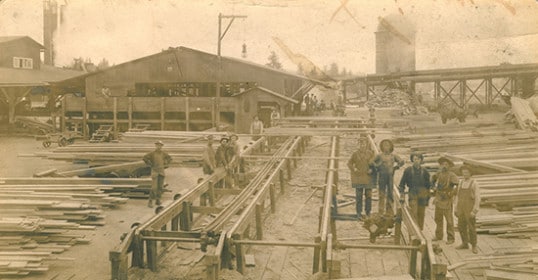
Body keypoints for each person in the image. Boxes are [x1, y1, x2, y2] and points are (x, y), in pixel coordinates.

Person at [398, 152, 431, 230]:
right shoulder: (408, 170)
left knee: (421, 214)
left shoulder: (425, 171)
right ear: (412, 160)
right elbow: (402, 184)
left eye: (418, 159)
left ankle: (420, 231)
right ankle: (414, 232)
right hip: (412, 193)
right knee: (413, 213)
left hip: (423, 194)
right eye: (415, 159)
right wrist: (402, 195)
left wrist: (428, 197)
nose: (416, 161)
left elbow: (428, 185)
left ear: (421, 160)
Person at [431, 156, 459, 244]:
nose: (444, 166)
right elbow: (432, 179)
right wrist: (433, 188)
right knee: (438, 218)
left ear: (449, 166)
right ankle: (439, 235)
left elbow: (456, 185)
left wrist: (451, 193)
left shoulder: (452, 175)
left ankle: (451, 238)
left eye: (446, 164)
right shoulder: (438, 174)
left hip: (447, 199)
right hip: (439, 197)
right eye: (443, 164)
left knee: (449, 220)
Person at [347, 136, 376, 219]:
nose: (362, 146)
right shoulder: (355, 154)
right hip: (358, 178)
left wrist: (372, 169)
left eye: (363, 144)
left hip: (367, 178)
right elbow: (349, 163)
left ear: (366, 144)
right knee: (359, 197)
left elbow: (375, 164)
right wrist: (354, 169)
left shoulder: (370, 154)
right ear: (358, 145)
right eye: (360, 144)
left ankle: (368, 212)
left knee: (369, 196)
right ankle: (359, 213)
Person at [373, 139, 404, 216]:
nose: (386, 147)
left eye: (388, 145)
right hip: (382, 177)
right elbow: (371, 162)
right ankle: (380, 212)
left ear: (390, 146)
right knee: (381, 194)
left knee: (390, 193)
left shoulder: (393, 156)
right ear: (382, 147)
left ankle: (389, 211)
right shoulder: (379, 156)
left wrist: (396, 167)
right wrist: (377, 166)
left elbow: (402, 161)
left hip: (390, 177)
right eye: (384, 145)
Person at [455, 165, 480, 254]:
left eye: (466, 173)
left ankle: (474, 245)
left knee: (471, 227)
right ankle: (465, 243)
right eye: (463, 172)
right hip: (461, 208)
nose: (465, 174)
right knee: (461, 226)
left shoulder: (474, 183)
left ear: (470, 173)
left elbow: (477, 198)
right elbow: (457, 196)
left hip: (469, 209)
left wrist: (475, 210)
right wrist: (456, 208)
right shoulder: (461, 182)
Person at [143, 140, 172, 208]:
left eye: (160, 145)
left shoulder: (163, 153)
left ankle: (158, 200)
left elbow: (169, 158)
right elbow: (145, 158)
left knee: (160, 187)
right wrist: (150, 164)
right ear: (155, 146)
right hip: (155, 171)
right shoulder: (152, 153)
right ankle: (150, 201)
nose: (159, 146)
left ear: (162, 146)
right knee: (154, 188)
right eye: (157, 145)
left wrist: (166, 164)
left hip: (161, 171)